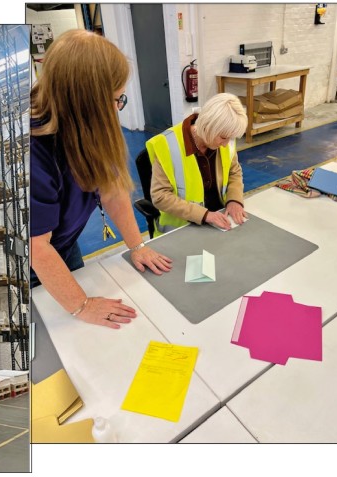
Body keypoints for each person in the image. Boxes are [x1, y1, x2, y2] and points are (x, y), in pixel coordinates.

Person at [29, 30, 172, 330]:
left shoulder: (91, 124)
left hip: (64, 245)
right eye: (117, 99)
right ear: (88, 103)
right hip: (29, 266)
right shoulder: (33, 154)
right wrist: (80, 304)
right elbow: (36, 248)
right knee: (57, 334)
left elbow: (113, 190)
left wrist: (137, 247)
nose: (119, 107)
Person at [148, 93, 248, 233]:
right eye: (224, 137)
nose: (226, 144)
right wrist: (204, 215)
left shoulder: (224, 139)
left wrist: (234, 200)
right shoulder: (167, 145)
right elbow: (160, 196)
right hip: (180, 230)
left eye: (230, 138)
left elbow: (234, 172)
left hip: (221, 220)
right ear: (207, 126)